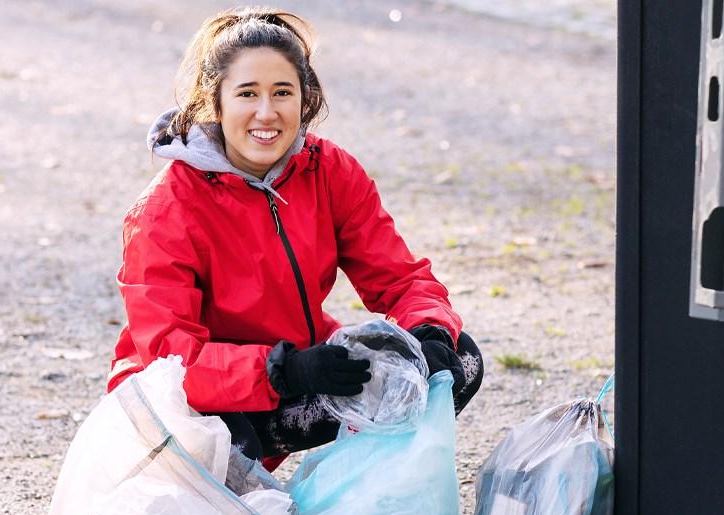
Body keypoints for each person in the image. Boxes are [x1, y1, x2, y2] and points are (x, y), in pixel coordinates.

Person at [107, 7, 483, 470]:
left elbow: (402, 279)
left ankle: (355, 500)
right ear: (216, 102)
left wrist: (428, 330)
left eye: (282, 92)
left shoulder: (329, 171)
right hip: (189, 403)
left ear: (304, 99)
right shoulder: (166, 209)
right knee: (222, 447)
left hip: (297, 372)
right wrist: (282, 371)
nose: (267, 112)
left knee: (457, 362)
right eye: (247, 93)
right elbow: (170, 360)